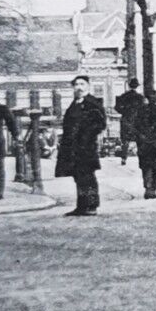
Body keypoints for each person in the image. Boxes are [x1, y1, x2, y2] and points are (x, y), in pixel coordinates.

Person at [55, 75, 107, 216]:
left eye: (82, 84)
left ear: (88, 86)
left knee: (88, 176)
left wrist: (86, 137)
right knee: (78, 176)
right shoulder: (75, 103)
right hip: (73, 148)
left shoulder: (92, 103)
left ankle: (91, 206)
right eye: (76, 84)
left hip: (86, 147)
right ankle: (82, 205)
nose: (79, 87)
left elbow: (100, 124)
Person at [114, 77, 146, 167]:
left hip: (126, 120)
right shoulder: (140, 97)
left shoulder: (123, 96)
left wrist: (124, 112)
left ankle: (124, 158)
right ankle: (141, 158)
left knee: (125, 140)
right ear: (137, 86)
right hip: (137, 120)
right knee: (139, 140)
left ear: (129, 86)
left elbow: (116, 107)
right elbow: (144, 109)